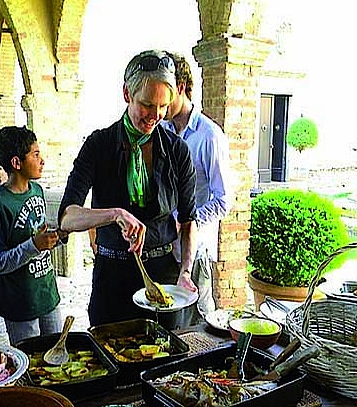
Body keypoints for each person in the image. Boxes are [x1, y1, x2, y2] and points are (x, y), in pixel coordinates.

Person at [58, 49, 198, 328]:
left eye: (163, 106)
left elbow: (188, 219)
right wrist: (114, 214)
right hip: (113, 278)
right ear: (126, 93)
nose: (155, 115)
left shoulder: (177, 151)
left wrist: (185, 270)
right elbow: (67, 217)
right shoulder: (98, 146)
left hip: (164, 279)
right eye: (147, 104)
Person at [161, 52, 233, 325]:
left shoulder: (209, 136)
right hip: (166, 249)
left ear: (180, 87)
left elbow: (224, 200)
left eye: (165, 93)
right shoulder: (163, 131)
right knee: (170, 323)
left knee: (200, 322)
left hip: (198, 249)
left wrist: (187, 220)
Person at [0, 126, 64, 346]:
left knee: (57, 358)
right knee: (30, 363)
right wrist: (33, 246)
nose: (42, 160)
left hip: (46, 294)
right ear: (16, 163)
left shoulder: (37, 191)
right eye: (36, 155)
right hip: (20, 303)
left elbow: (38, 237)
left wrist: (58, 237)